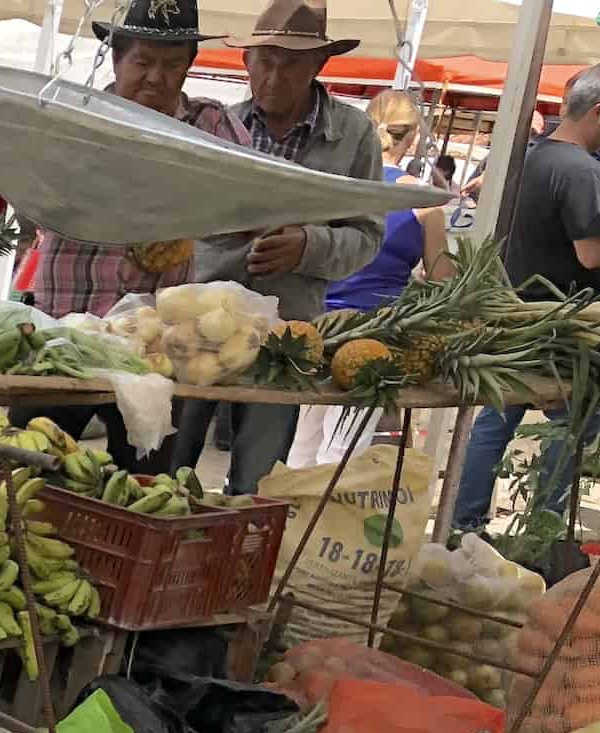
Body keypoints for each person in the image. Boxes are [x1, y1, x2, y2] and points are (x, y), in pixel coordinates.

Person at [23, 0, 250, 473]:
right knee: (32, 467)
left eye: (171, 64)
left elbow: (251, 197)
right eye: (143, 61)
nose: (156, 77)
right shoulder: (73, 116)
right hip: (67, 328)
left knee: (142, 478)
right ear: (116, 56)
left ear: (189, 65)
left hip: (158, 347)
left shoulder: (211, 124)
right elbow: (24, 196)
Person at [169, 0, 385, 495]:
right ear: (246, 61)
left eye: (290, 64)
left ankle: (232, 560)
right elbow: (182, 212)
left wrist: (308, 244)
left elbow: (368, 237)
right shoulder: (220, 125)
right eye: (264, 60)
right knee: (171, 460)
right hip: (202, 318)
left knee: (256, 478)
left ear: (319, 66)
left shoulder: (353, 136)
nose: (273, 75)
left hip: (285, 333)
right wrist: (230, 226)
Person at [453, 63, 600, 530]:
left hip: (518, 310)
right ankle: (545, 525)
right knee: (575, 423)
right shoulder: (581, 171)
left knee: (496, 420)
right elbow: (592, 255)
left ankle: (464, 521)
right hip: (563, 328)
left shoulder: (533, 157)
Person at [287, 89, 455, 467]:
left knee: (303, 437)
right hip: (376, 331)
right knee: (346, 443)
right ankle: (323, 521)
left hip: (316, 324)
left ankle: (287, 515)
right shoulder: (424, 201)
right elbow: (444, 280)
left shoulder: (339, 185)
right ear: (412, 138)